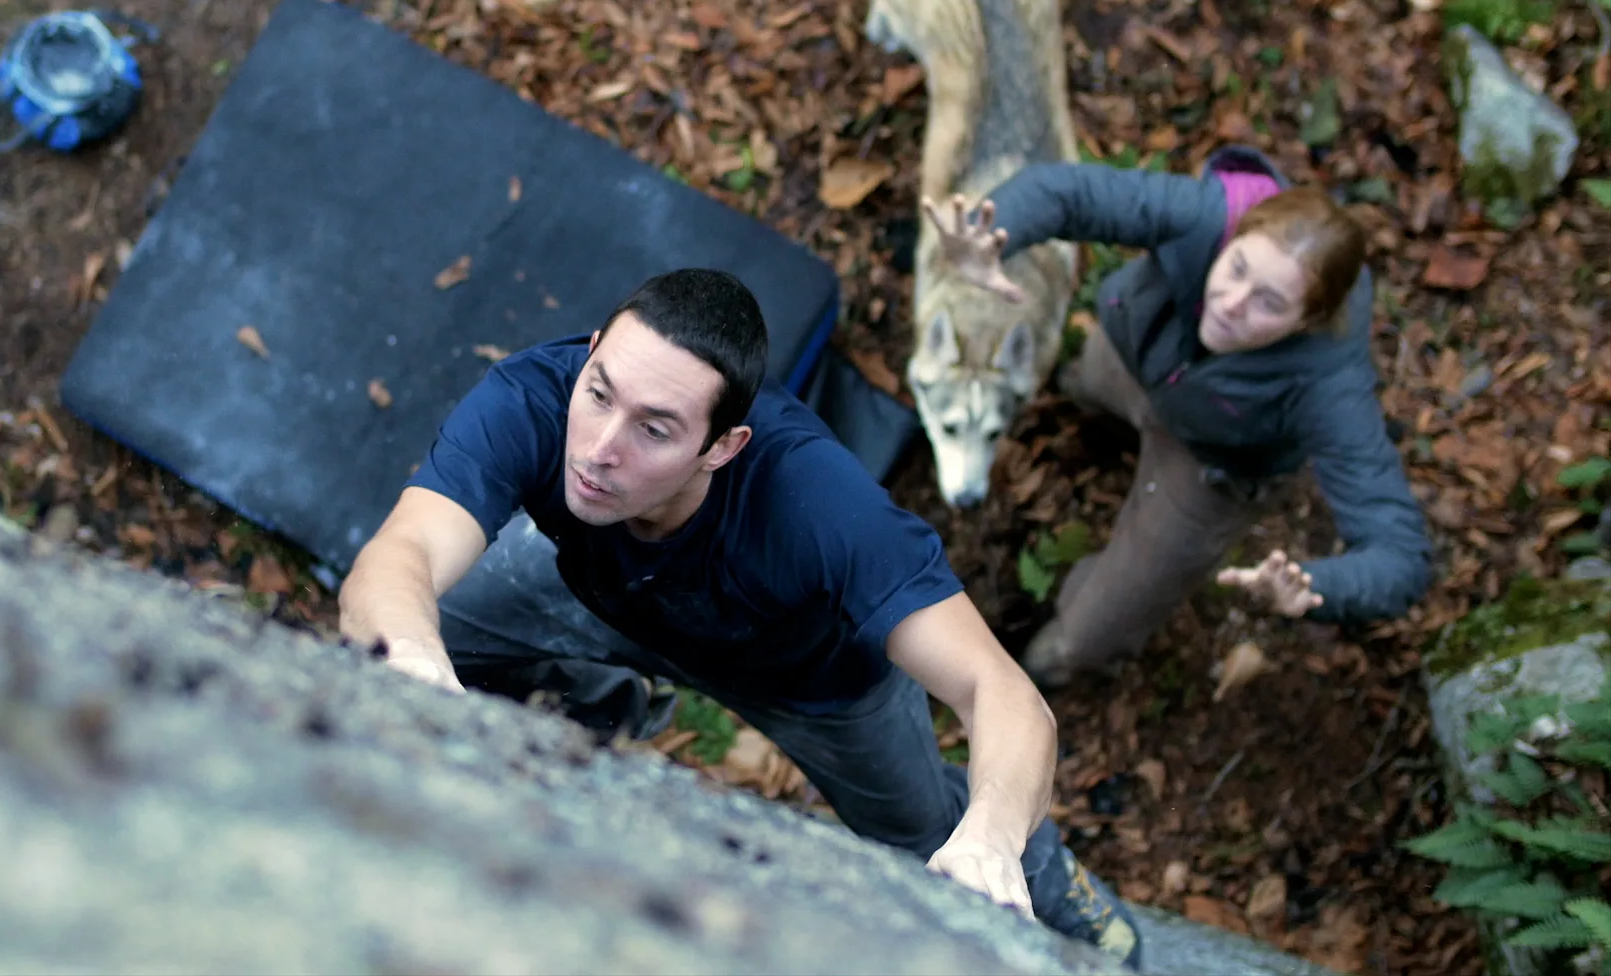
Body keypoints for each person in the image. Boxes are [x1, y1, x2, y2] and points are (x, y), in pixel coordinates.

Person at [338, 268, 1144, 967]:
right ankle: (604, 696)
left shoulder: (819, 503)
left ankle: (1047, 874)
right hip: (600, 594)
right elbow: (398, 555)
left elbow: (1000, 690)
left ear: (723, 448)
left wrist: (994, 841)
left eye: (655, 430)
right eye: (600, 395)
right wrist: (410, 656)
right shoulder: (534, 400)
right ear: (587, 358)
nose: (598, 449)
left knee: (934, 836)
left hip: (811, 682)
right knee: (438, 631)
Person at [924, 145, 1436, 688]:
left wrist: (1314, 585)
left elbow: (1401, 557)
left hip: (1212, 458)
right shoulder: (1205, 213)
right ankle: (1092, 409)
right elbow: (1067, 193)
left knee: (1082, 638)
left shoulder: (1328, 385)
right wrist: (995, 229)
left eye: (1269, 303)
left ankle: (1047, 668)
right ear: (1233, 236)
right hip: (1136, 359)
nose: (1231, 303)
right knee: (1083, 381)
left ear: (1307, 319)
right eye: (1236, 268)